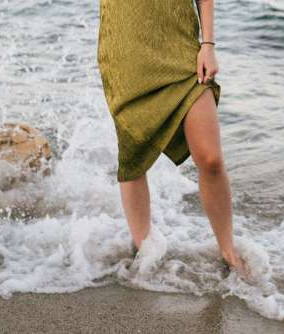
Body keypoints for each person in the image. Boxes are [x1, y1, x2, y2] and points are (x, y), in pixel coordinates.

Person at [97, 0, 246, 275]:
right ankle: (145, 252)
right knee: (133, 155)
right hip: (126, 55)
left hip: (181, 48)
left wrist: (208, 44)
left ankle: (228, 251)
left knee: (210, 158)